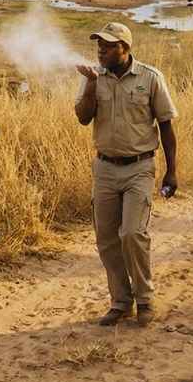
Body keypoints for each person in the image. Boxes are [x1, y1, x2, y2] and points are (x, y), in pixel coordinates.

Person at [74, 22, 178, 328]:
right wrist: (91, 84)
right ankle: (121, 302)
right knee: (106, 238)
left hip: (140, 167)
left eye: (108, 45)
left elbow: (167, 126)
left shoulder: (150, 77)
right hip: (105, 167)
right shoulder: (93, 77)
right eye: (99, 46)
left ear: (125, 48)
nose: (101, 51)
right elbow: (82, 118)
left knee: (132, 233)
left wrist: (172, 172)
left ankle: (145, 299)